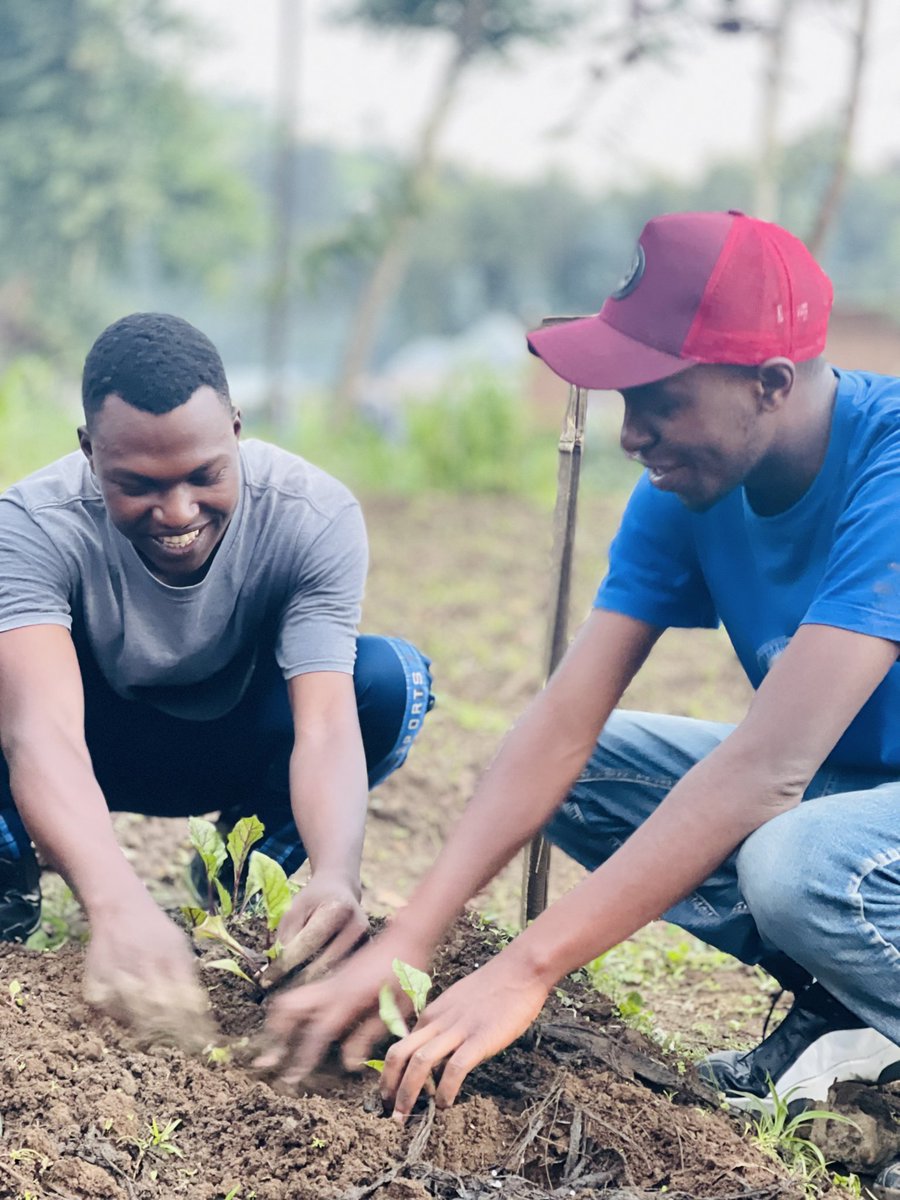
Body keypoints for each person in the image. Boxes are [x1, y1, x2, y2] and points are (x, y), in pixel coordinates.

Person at [255, 210, 900, 1195]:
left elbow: (768, 768)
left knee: (797, 862)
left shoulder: (889, 466)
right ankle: (848, 1005)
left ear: (770, 383)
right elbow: (564, 723)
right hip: (869, 804)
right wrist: (411, 938)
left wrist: (527, 967)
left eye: (661, 401)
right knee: (593, 768)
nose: (631, 433)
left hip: (849, 833)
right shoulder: (688, 486)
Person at [0, 312, 433, 1043]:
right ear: (88, 451)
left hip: (229, 736)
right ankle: (12, 870)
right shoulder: (35, 525)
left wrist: (337, 875)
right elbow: (39, 732)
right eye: (137, 484)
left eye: (205, 476)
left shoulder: (311, 515)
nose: (177, 511)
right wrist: (114, 903)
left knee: (388, 682)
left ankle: (239, 873)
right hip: (88, 742)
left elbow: (327, 724)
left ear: (235, 428)